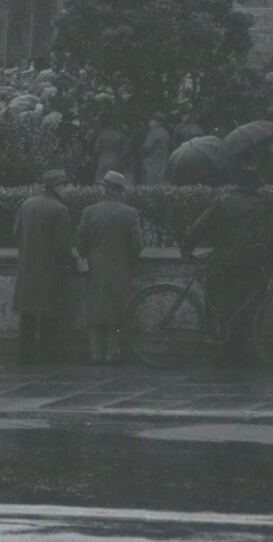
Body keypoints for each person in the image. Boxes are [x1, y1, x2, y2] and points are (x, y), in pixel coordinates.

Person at [181, 163, 273, 370]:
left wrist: (187, 247)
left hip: (222, 262)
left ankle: (223, 348)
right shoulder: (261, 205)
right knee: (247, 307)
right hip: (249, 263)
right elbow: (266, 237)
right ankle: (239, 352)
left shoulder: (221, 202)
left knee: (222, 306)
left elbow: (200, 225)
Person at [75, 171, 143, 365]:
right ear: (119, 191)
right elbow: (137, 245)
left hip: (94, 268)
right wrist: (128, 260)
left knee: (94, 313)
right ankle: (112, 353)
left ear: (106, 190)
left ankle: (95, 355)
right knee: (115, 311)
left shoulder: (89, 211)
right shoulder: (130, 213)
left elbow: (80, 241)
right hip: (119, 268)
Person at [13, 168, 75, 363]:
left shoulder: (27, 204)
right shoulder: (60, 209)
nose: (66, 189)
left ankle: (24, 355)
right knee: (49, 316)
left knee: (28, 315)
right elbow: (63, 245)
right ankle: (47, 356)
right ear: (55, 187)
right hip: (50, 271)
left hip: (27, 269)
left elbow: (16, 232)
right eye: (63, 185)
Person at [139, 116, 172, 189]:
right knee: (160, 183)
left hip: (152, 161)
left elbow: (146, 147)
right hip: (163, 160)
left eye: (152, 120)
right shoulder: (166, 133)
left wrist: (140, 153)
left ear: (157, 122)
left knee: (149, 184)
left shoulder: (154, 132)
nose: (150, 122)